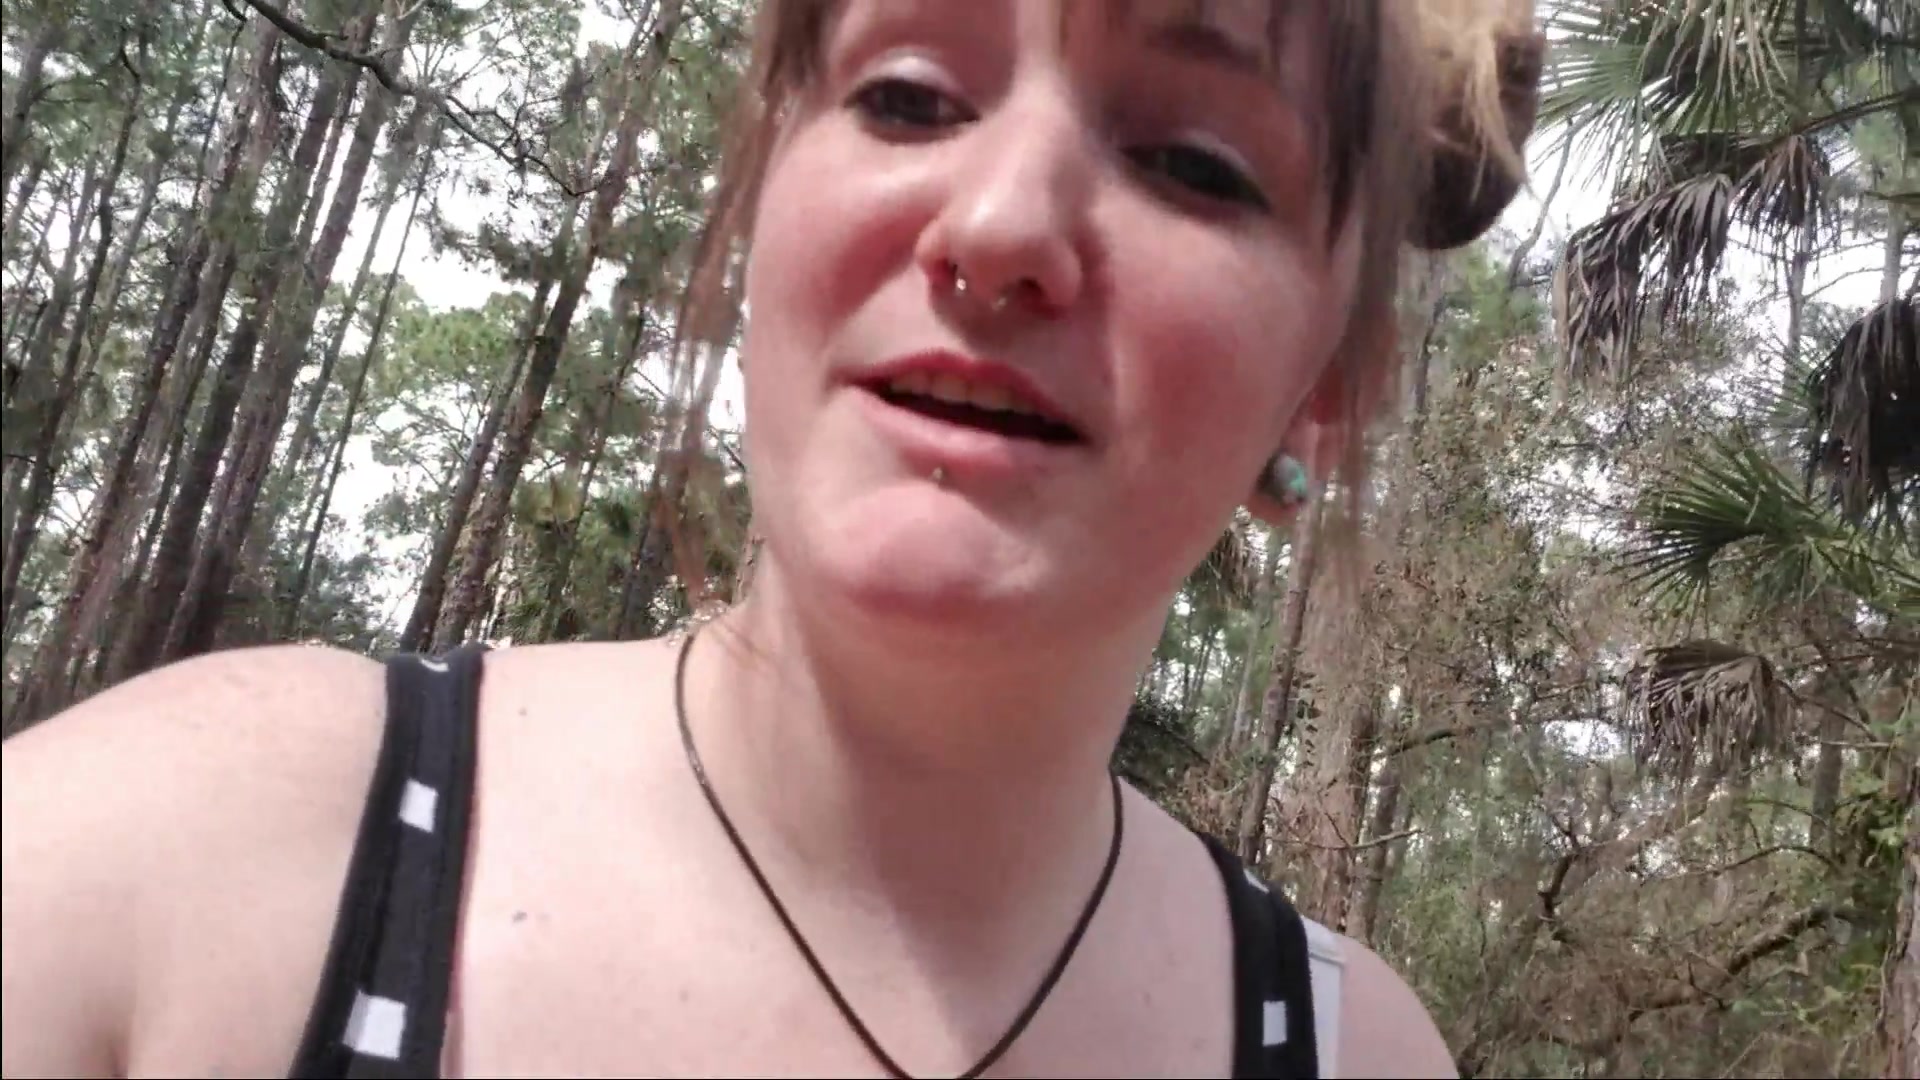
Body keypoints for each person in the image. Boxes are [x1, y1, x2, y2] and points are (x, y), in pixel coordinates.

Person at [1, 1, 1543, 1076]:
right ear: (762, 199)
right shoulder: (178, 857)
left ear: (1329, 385)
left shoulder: (1352, 1053)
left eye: (1193, 163)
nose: (998, 224)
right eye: (908, 96)